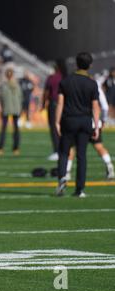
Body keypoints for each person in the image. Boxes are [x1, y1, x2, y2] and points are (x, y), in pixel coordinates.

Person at [55, 52, 101, 198]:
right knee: (82, 155)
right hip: (85, 121)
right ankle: (79, 189)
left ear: (76, 64)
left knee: (64, 152)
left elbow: (60, 103)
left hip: (69, 120)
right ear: (90, 65)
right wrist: (96, 126)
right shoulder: (92, 83)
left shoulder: (66, 81)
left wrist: (56, 121)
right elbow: (95, 107)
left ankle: (62, 178)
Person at [65, 78, 114, 180]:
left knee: (72, 147)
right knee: (99, 146)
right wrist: (103, 120)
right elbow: (104, 107)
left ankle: (67, 172)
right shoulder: (96, 88)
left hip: (78, 122)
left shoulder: (75, 87)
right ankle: (109, 167)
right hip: (93, 123)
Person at [42, 59, 68, 161]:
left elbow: (47, 92)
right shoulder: (66, 77)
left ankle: (57, 151)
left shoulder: (52, 78)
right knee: (64, 128)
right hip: (66, 105)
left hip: (54, 104)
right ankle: (65, 150)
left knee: (54, 128)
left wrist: (43, 104)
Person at [0, 68, 23, 155]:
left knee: (14, 129)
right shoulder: (6, 85)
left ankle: (13, 148)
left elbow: (20, 97)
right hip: (9, 109)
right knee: (6, 129)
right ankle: (3, 147)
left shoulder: (13, 85)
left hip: (12, 109)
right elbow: (0, 98)